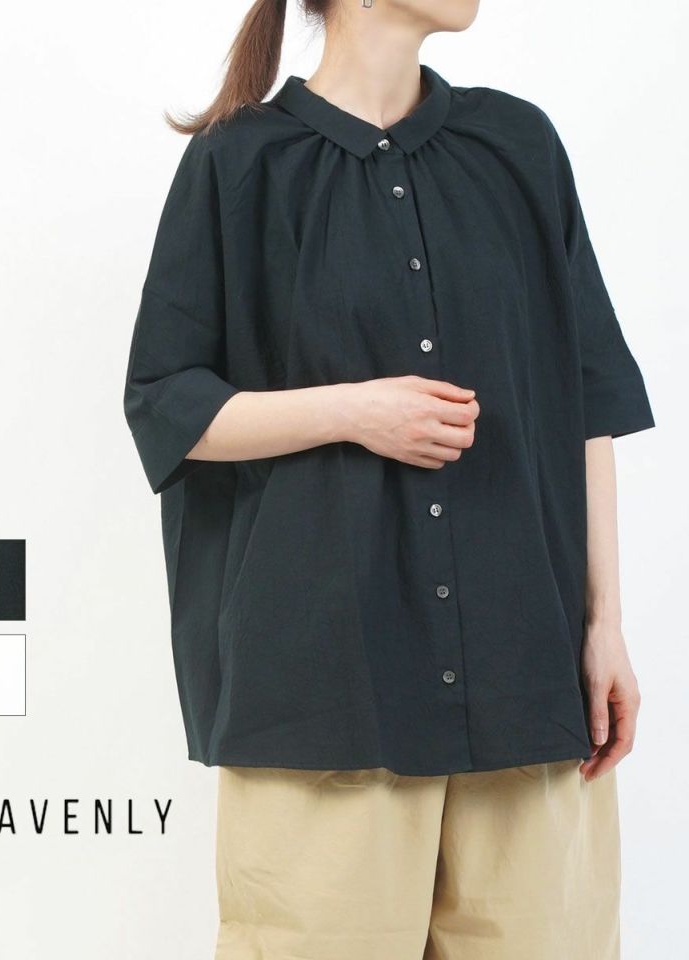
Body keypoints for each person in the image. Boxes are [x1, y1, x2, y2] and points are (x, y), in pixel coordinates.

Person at [123, 1, 655, 957]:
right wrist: (354, 411)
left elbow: (588, 400)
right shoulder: (239, 164)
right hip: (323, 691)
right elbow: (166, 403)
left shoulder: (519, 147)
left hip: (522, 677)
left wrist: (603, 625)